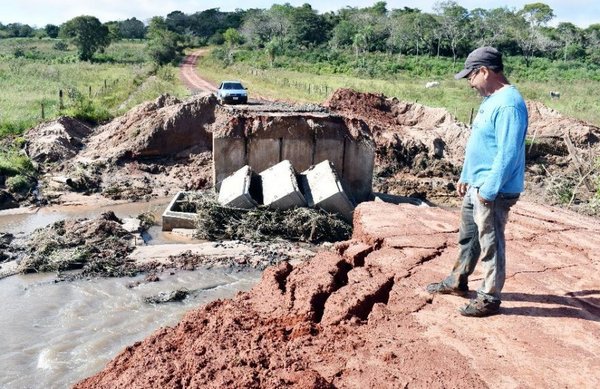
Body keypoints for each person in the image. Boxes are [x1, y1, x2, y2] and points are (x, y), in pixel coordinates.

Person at [426, 46, 528, 317]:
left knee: (490, 243)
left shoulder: (508, 104)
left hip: (493, 190)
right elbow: (482, 144)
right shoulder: (491, 99)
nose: (470, 83)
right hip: (477, 184)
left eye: (471, 76)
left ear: (484, 71)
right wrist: (467, 176)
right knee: (469, 237)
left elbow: (507, 153)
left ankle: (489, 297)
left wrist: (489, 190)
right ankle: (458, 280)